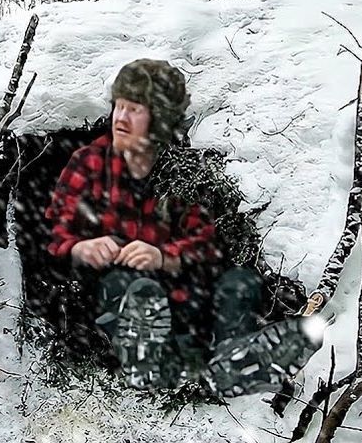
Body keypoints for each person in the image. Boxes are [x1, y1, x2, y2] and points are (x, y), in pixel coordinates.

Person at [45, 58, 322, 394]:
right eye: (119, 107)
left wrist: (164, 256)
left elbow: (207, 242)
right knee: (132, 288)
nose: (121, 118)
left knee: (240, 283)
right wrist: (80, 246)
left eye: (134, 109)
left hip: (178, 296)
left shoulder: (182, 172)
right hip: (113, 296)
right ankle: (152, 373)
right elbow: (55, 235)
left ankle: (230, 365)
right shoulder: (88, 163)